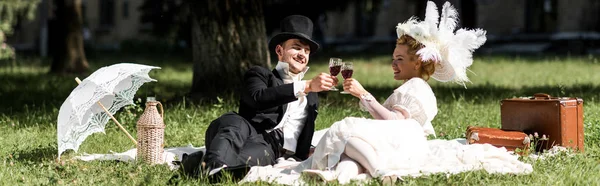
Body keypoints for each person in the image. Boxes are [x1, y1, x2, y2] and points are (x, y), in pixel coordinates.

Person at [296, 1, 488, 184]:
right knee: (348, 153)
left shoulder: (416, 86)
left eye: (399, 59)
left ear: (417, 62)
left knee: (344, 130)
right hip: (400, 144)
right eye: (393, 58)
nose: (393, 64)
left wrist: (364, 95)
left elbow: (394, 122)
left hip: (403, 144)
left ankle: (381, 171)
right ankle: (338, 176)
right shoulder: (414, 85)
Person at [180, 15, 338, 181]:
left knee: (246, 162)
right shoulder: (260, 74)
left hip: (270, 147)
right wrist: (304, 86)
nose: (302, 55)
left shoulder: (312, 95)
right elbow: (258, 98)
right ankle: (213, 164)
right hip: (244, 131)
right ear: (279, 50)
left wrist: (309, 151)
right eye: (297, 48)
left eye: (306, 51)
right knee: (234, 120)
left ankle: (203, 170)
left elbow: (304, 134)